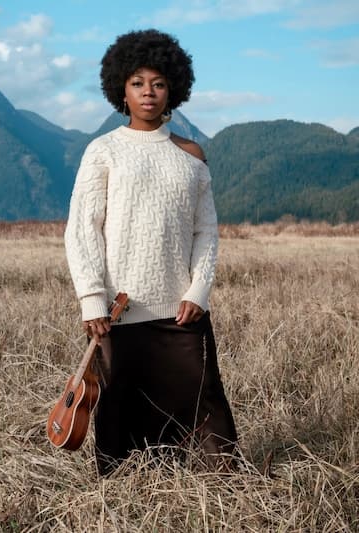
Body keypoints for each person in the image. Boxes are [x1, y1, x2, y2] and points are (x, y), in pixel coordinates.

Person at [64, 29, 237, 476]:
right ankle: (128, 497)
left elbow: (206, 233)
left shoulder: (191, 155)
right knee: (121, 418)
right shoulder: (102, 151)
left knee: (205, 418)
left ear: (173, 88)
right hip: (117, 315)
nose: (148, 92)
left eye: (158, 83)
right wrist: (91, 298)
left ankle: (216, 496)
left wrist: (199, 292)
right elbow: (83, 230)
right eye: (138, 82)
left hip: (182, 314)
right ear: (121, 87)